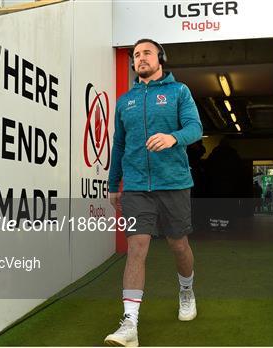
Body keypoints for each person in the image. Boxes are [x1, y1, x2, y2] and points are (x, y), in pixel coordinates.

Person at [105, 38, 203, 347]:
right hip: (135, 186)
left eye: (147, 52)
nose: (140, 58)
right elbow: (118, 144)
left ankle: (186, 290)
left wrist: (173, 138)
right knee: (137, 248)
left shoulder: (179, 92)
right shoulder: (125, 101)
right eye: (136, 55)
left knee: (178, 245)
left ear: (160, 58)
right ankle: (129, 324)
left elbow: (194, 128)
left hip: (173, 182)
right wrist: (113, 184)